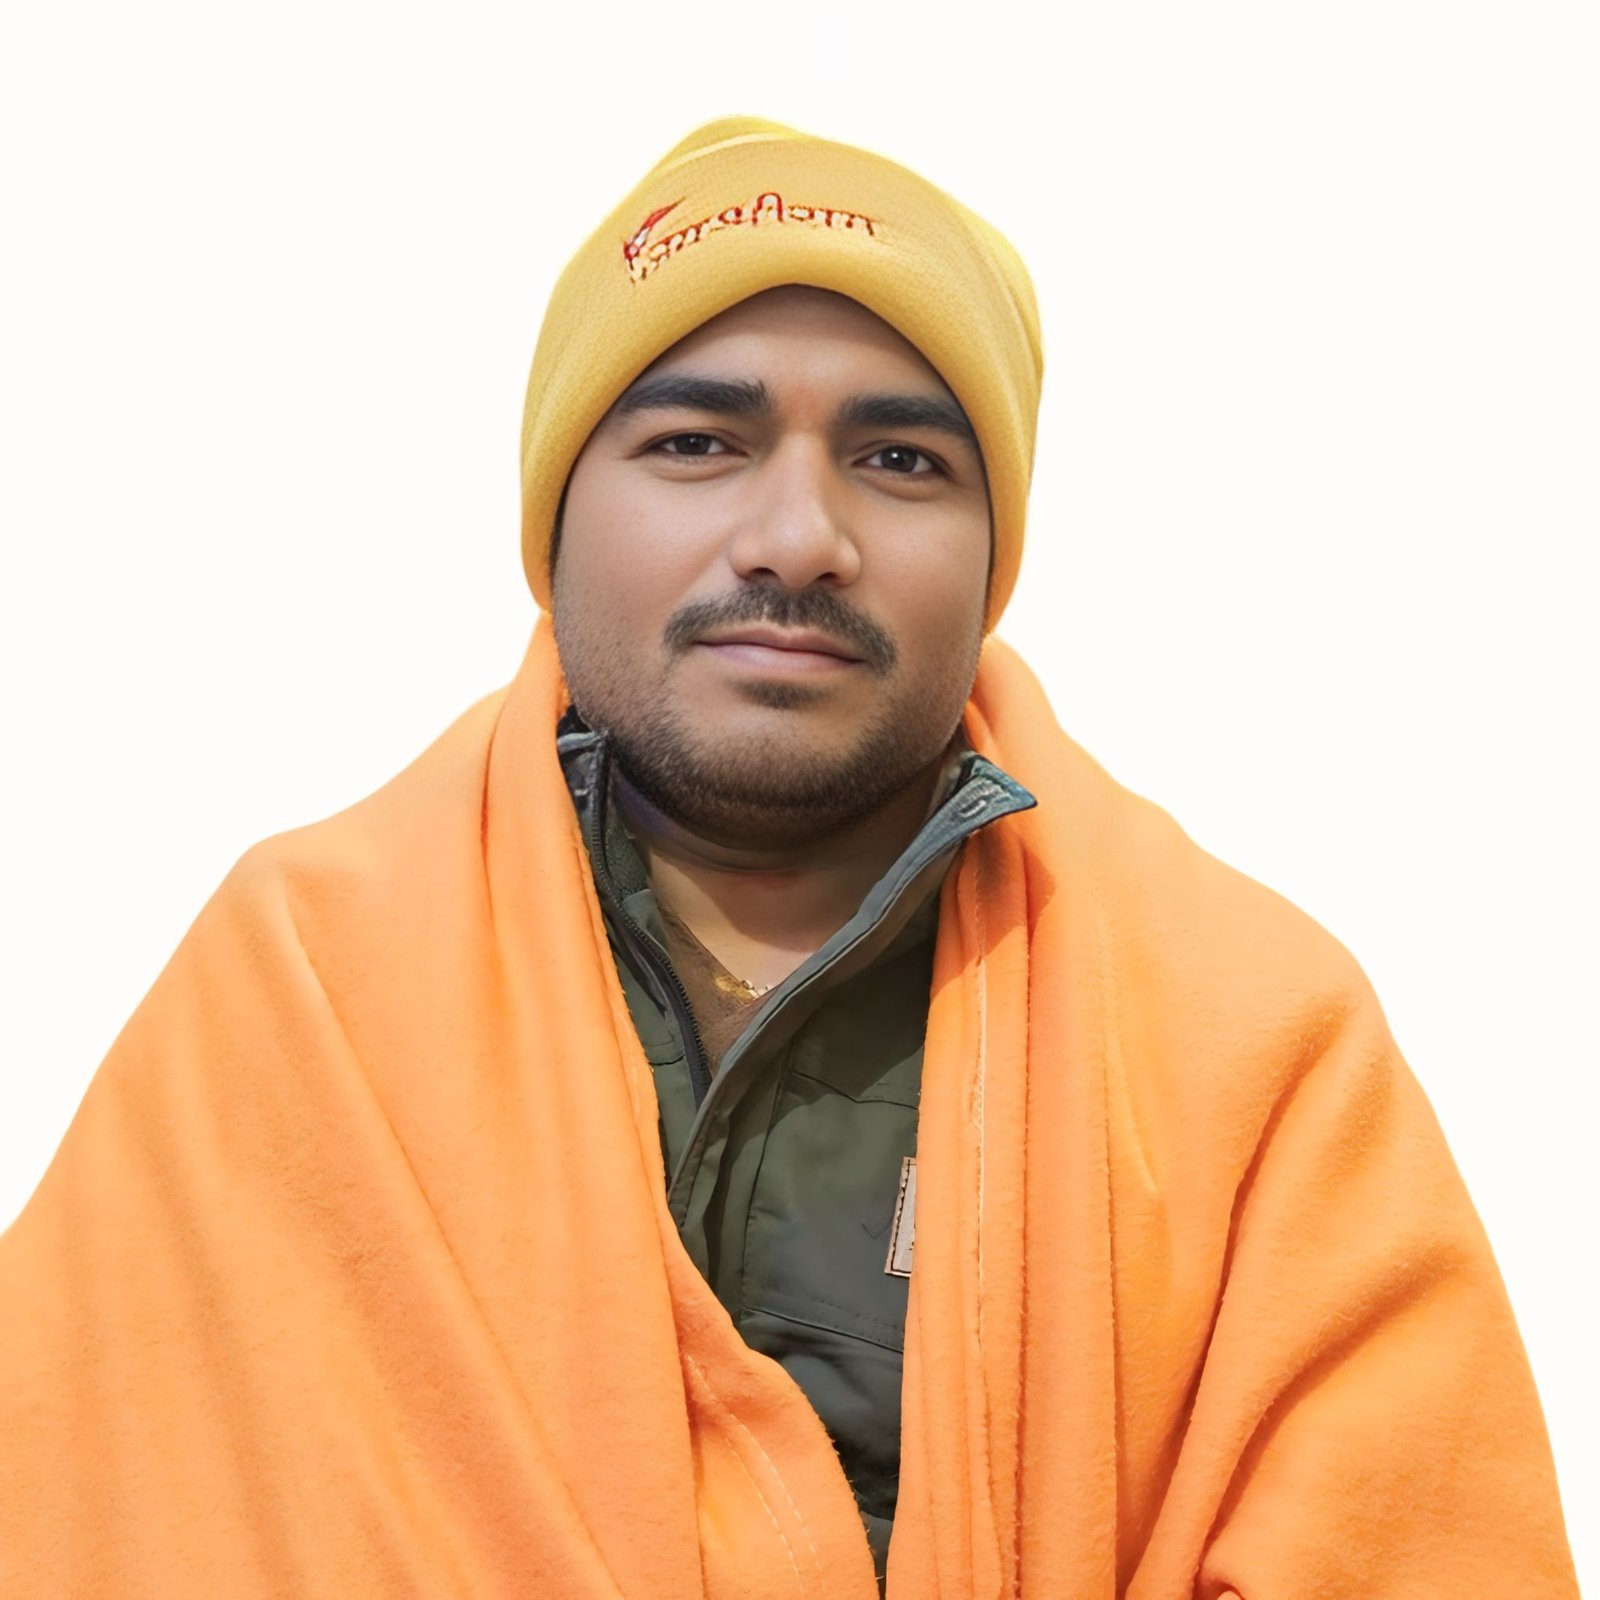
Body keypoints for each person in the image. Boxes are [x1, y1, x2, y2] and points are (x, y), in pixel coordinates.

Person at [0, 116, 1578, 1599]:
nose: (797, 537)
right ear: (552, 523)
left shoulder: (1252, 1040)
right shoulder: (301, 985)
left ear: (996, 560)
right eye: (698, 441)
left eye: (901, 462)